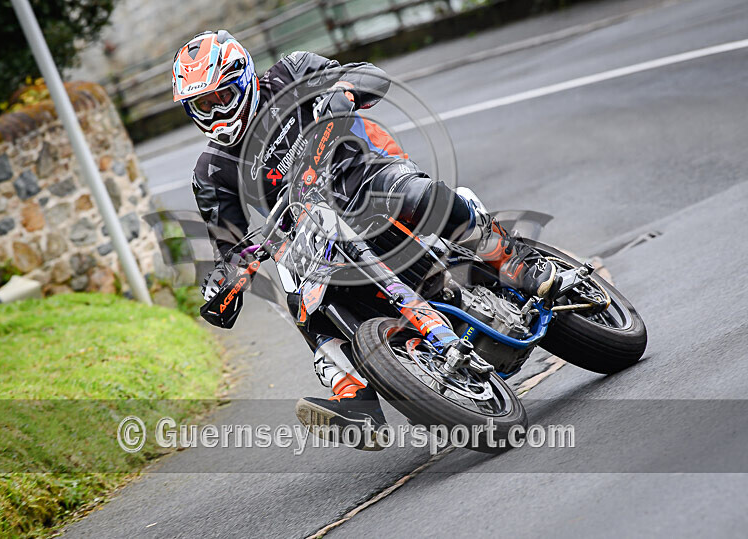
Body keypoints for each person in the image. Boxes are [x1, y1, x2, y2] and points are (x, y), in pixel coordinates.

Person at [172, 30, 558, 450]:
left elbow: (369, 74)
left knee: (421, 198)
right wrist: (223, 284)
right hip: (309, 229)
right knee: (299, 295)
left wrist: (344, 92)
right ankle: (355, 400)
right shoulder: (209, 171)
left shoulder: (291, 71)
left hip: (367, 179)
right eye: (201, 105)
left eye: (219, 97)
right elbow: (228, 245)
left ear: (243, 78)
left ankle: (516, 262)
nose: (213, 111)